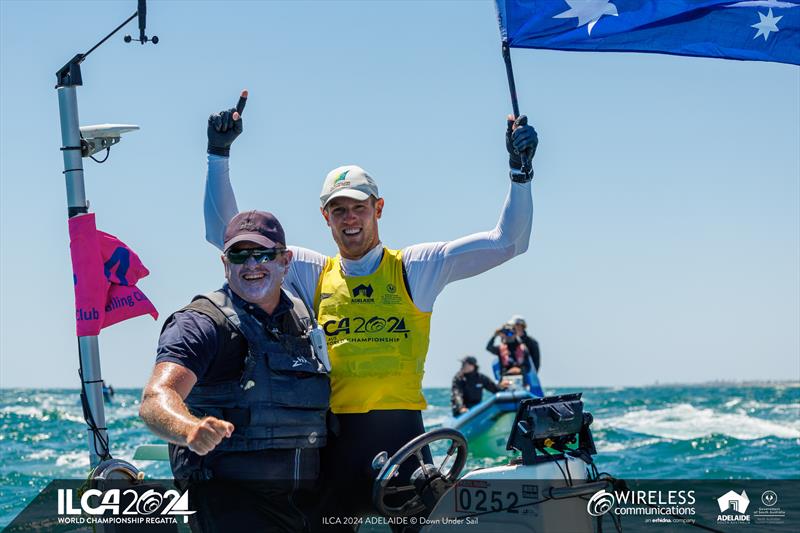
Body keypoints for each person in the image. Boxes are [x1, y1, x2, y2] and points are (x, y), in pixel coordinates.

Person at [203, 90, 538, 524]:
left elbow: (508, 242)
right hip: (334, 446)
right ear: (326, 217)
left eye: (358, 207)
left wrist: (520, 172)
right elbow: (229, 238)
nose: (349, 219)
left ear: (377, 208)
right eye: (338, 209)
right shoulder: (310, 272)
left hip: (407, 446)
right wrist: (218, 154)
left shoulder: (416, 268)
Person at [139, 211, 330, 532]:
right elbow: (156, 399)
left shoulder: (304, 318)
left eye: (264, 254)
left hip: (302, 504)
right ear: (225, 263)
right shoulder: (200, 323)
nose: (251, 264)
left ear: (285, 260)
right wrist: (190, 429)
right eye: (239, 255)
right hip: (231, 504)